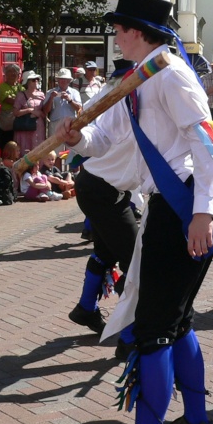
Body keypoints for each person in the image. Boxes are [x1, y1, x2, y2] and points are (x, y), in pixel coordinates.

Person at [59, 0, 213, 424]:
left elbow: (209, 141)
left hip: (184, 208)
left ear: (137, 32)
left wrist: (202, 214)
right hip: (169, 209)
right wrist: (77, 139)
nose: (114, 35)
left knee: (154, 332)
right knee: (175, 324)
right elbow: (106, 139)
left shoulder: (171, 74)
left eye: (118, 27)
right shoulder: (138, 79)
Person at [65, 59, 142, 354]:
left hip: (104, 188)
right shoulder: (122, 106)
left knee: (106, 251)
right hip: (101, 190)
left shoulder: (130, 105)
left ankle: (86, 307)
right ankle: (130, 335)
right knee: (135, 261)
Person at [13, 71, 46, 157]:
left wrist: (40, 113)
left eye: (37, 79)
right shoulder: (20, 95)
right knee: (25, 148)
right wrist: (30, 110)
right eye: (33, 80)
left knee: (37, 148)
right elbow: (15, 113)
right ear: (27, 82)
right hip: (25, 127)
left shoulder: (41, 95)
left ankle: (36, 168)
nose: (36, 81)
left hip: (38, 127)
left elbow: (45, 112)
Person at [43, 68, 83, 140]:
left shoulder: (74, 92)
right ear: (58, 80)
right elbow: (45, 111)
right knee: (55, 149)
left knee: (71, 149)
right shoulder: (50, 92)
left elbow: (79, 108)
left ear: (70, 81)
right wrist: (51, 98)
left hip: (71, 124)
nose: (64, 81)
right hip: (55, 124)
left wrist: (69, 100)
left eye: (66, 79)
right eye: (61, 79)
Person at [0, 63, 22, 152]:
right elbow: (8, 100)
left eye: (15, 72)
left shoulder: (20, 87)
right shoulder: (3, 86)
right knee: (6, 143)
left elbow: (26, 99)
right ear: (5, 74)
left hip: (18, 119)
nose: (12, 74)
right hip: (7, 119)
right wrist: (19, 101)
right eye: (10, 72)